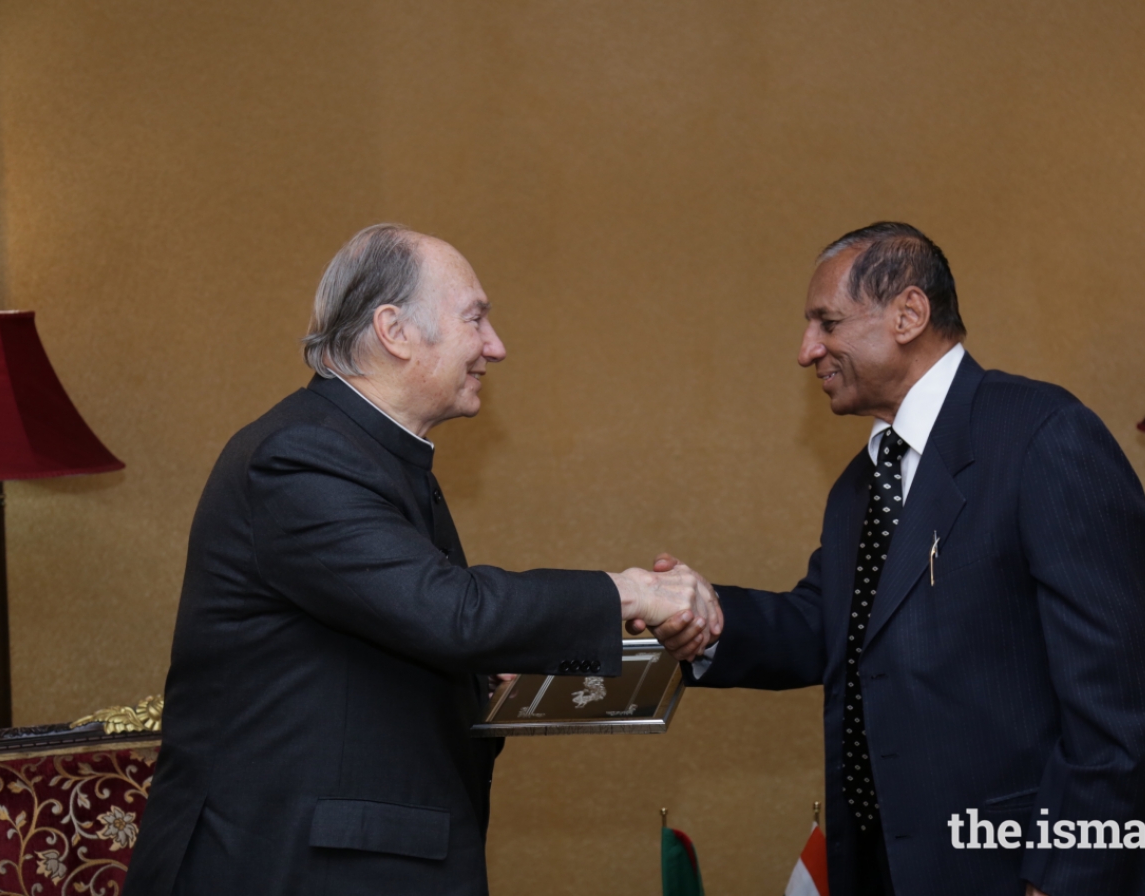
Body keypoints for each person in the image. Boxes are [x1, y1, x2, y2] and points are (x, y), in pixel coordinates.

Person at [123, 223, 720, 896]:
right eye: (475, 318)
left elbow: (400, 629)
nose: (495, 346)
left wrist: (499, 660)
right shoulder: (303, 457)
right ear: (395, 331)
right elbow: (450, 612)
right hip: (289, 867)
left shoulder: (368, 453)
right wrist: (631, 592)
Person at [646, 223, 1145, 896]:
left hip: (1030, 870)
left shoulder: (1044, 438)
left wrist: (1059, 879)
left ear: (908, 314)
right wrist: (701, 616)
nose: (806, 351)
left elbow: (1114, 707)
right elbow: (824, 627)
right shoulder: (861, 483)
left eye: (827, 323)